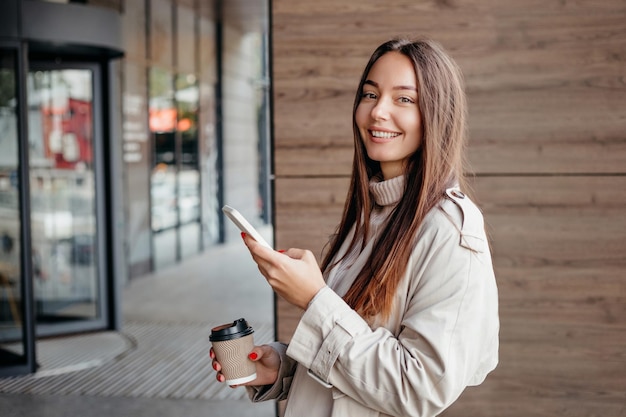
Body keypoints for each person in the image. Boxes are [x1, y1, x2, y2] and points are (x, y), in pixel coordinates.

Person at [210, 38, 499, 417]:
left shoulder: (449, 231)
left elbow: (420, 388)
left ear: (437, 114)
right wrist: (281, 369)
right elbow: (353, 355)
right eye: (369, 94)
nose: (378, 112)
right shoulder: (373, 215)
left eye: (404, 99)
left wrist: (314, 299)